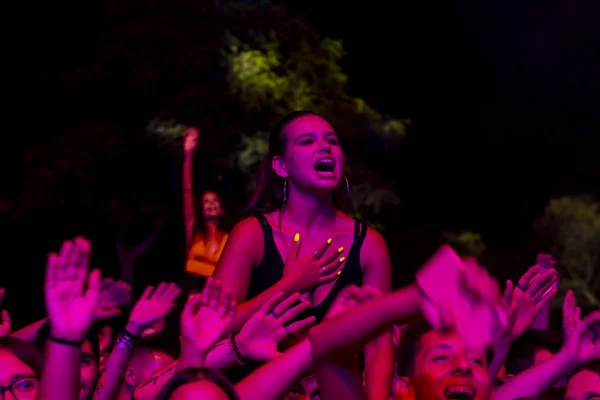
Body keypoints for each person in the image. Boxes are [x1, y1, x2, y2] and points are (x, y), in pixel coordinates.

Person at [213, 111, 394, 397]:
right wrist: (287, 286)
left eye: (332, 141)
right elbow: (212, 329)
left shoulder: (370, 245)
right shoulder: (252, 234)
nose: (325, 147)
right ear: (281, 166)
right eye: (307, 141)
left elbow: (378, 343)